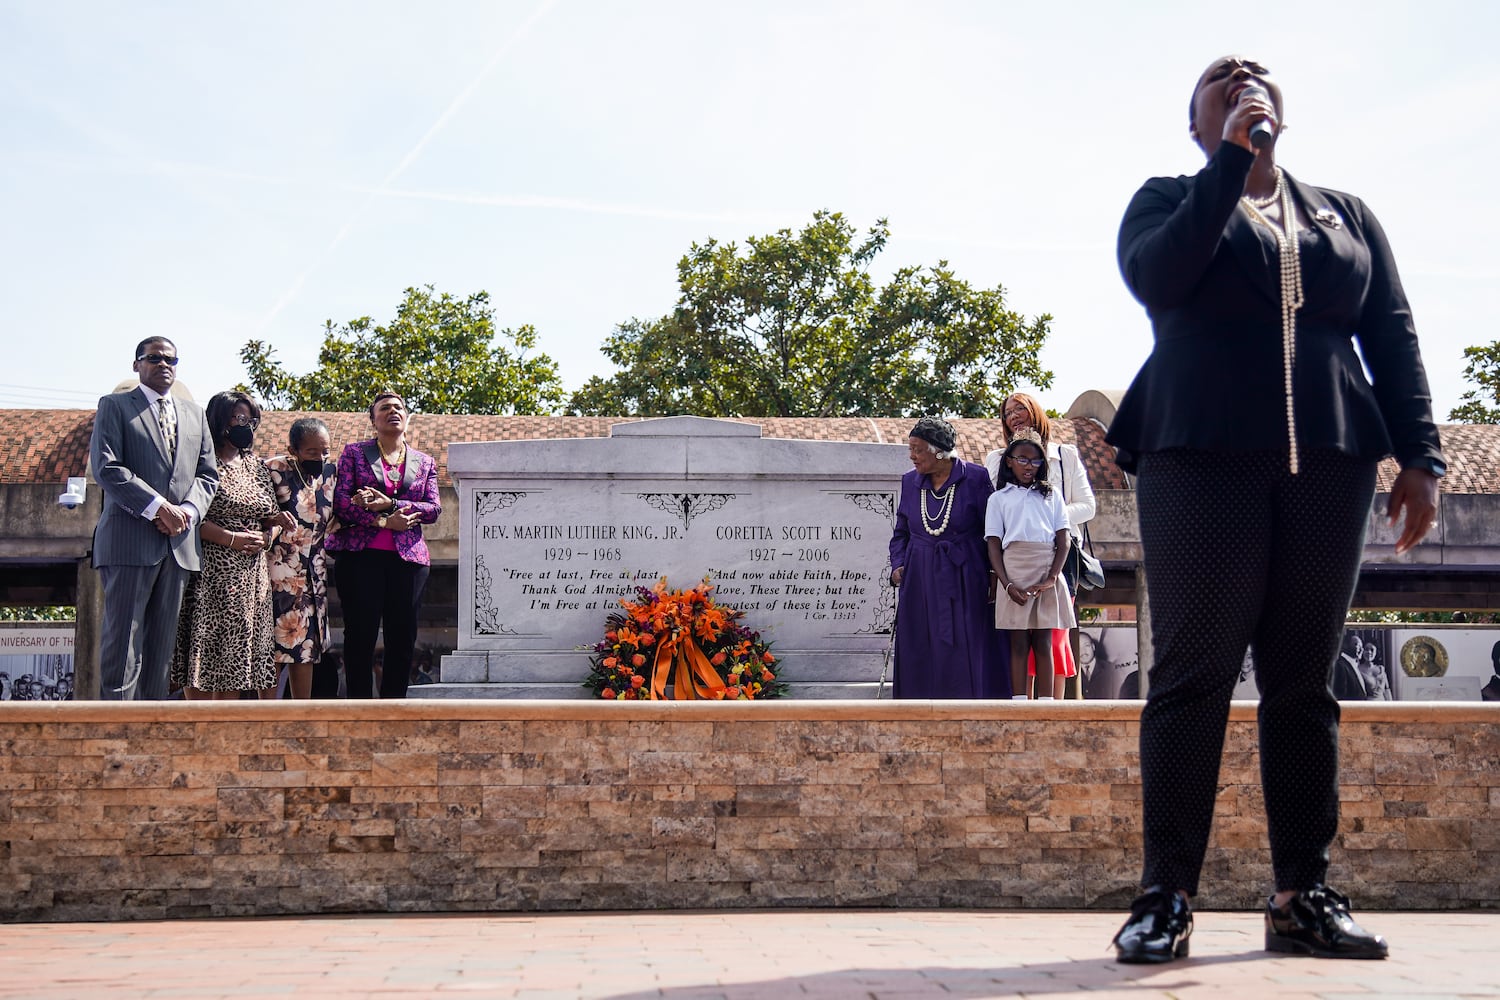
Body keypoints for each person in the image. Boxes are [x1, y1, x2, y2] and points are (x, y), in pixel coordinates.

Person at [1105, 55, 1445, 963]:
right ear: (1197, 123)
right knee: (1193, 677)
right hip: (1200, 457)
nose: (1246, 77)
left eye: (1257, 75)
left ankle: (1303, 894)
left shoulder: (1344, 212)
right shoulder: (1167, 198)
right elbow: (1161, 278)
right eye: (1223, 78)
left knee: (1303, 684)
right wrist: (1227, 164)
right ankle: (1165, 896)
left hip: (1330, 465)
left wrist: (1421, 455)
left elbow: (1393, 332)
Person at [89, 337, 219, 700]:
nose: (164, 365)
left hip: (178, 545)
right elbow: (107, 467)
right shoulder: (114, 406)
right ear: (136, 365)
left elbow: (208, 475)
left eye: (171, 360)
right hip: (129, 540)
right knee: (123, 641)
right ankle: (117, 728)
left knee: (162, 649)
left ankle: (151, 728)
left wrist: (187, 513)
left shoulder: (194, 414)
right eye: (155, 358)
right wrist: (159, 507)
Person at [171, 391, 289, 699]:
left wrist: (267, 537)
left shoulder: (256, 467)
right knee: (205, 654)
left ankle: (227, 733)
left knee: (238, 658)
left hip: (251, 578)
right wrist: (232, 539)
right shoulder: (199, 461)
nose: (246, 426)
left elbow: (270, 518)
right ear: (220, 419)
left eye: (251, 420)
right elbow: (189, 516)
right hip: (211, 573)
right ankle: (200, 732)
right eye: (239, 418)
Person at [327, 391, 442, 700]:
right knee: (360, 635)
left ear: (407, 418)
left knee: (402, 637)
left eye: (399, 408)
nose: (393, 411)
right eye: (385, 408)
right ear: (373, 420)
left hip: (409, 560)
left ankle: (394, 708)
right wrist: (383, 521)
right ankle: (358, 709)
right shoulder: (354, 453)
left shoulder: (425, 462)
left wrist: (390, 503)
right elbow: (341, 503)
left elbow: (433, 509)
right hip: (361, 558)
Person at [888, 417, 1008, 698]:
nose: (912, 456)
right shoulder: (909, 482)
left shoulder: (976, 478)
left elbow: (991, 531)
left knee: (965, 644)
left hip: (964, 575)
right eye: (911, 449)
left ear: (939, 451)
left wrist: (992, 575)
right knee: (920, 645)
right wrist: (898, 565)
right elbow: (901, 533)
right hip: (919, 577)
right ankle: (918, 712)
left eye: (917, 449)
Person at [984, 393, 1092, 695]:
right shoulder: (996, 461)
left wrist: (1045, 518)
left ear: (1036, 412)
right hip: (1013, 561)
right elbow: (995, 518)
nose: (1014, 416)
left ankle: (1051, 706)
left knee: (1053, 637)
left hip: (1056, 558)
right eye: (1007, 413)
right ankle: (1023, 701)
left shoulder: (1064, 455)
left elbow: (1087, 506)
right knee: (1019, 639)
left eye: (1020, 409)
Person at [265, 417, 338, 700]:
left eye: (325, 451)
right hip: (278, 573)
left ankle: (300, 714)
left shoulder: (330, 474)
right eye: (311, 452)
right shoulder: (272, 470)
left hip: (314, 575)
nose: (320, 457)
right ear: (293, 449)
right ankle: (266, 715)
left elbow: (334, 519)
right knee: (274, 645)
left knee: (306, 648)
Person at [1332, 632, 1368, 701]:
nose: (1361, 649)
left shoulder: (1353, 665)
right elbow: (1341, 696)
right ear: (1346, 645)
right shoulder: (1340, 666)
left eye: (1362, 646)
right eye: (1357, 644)